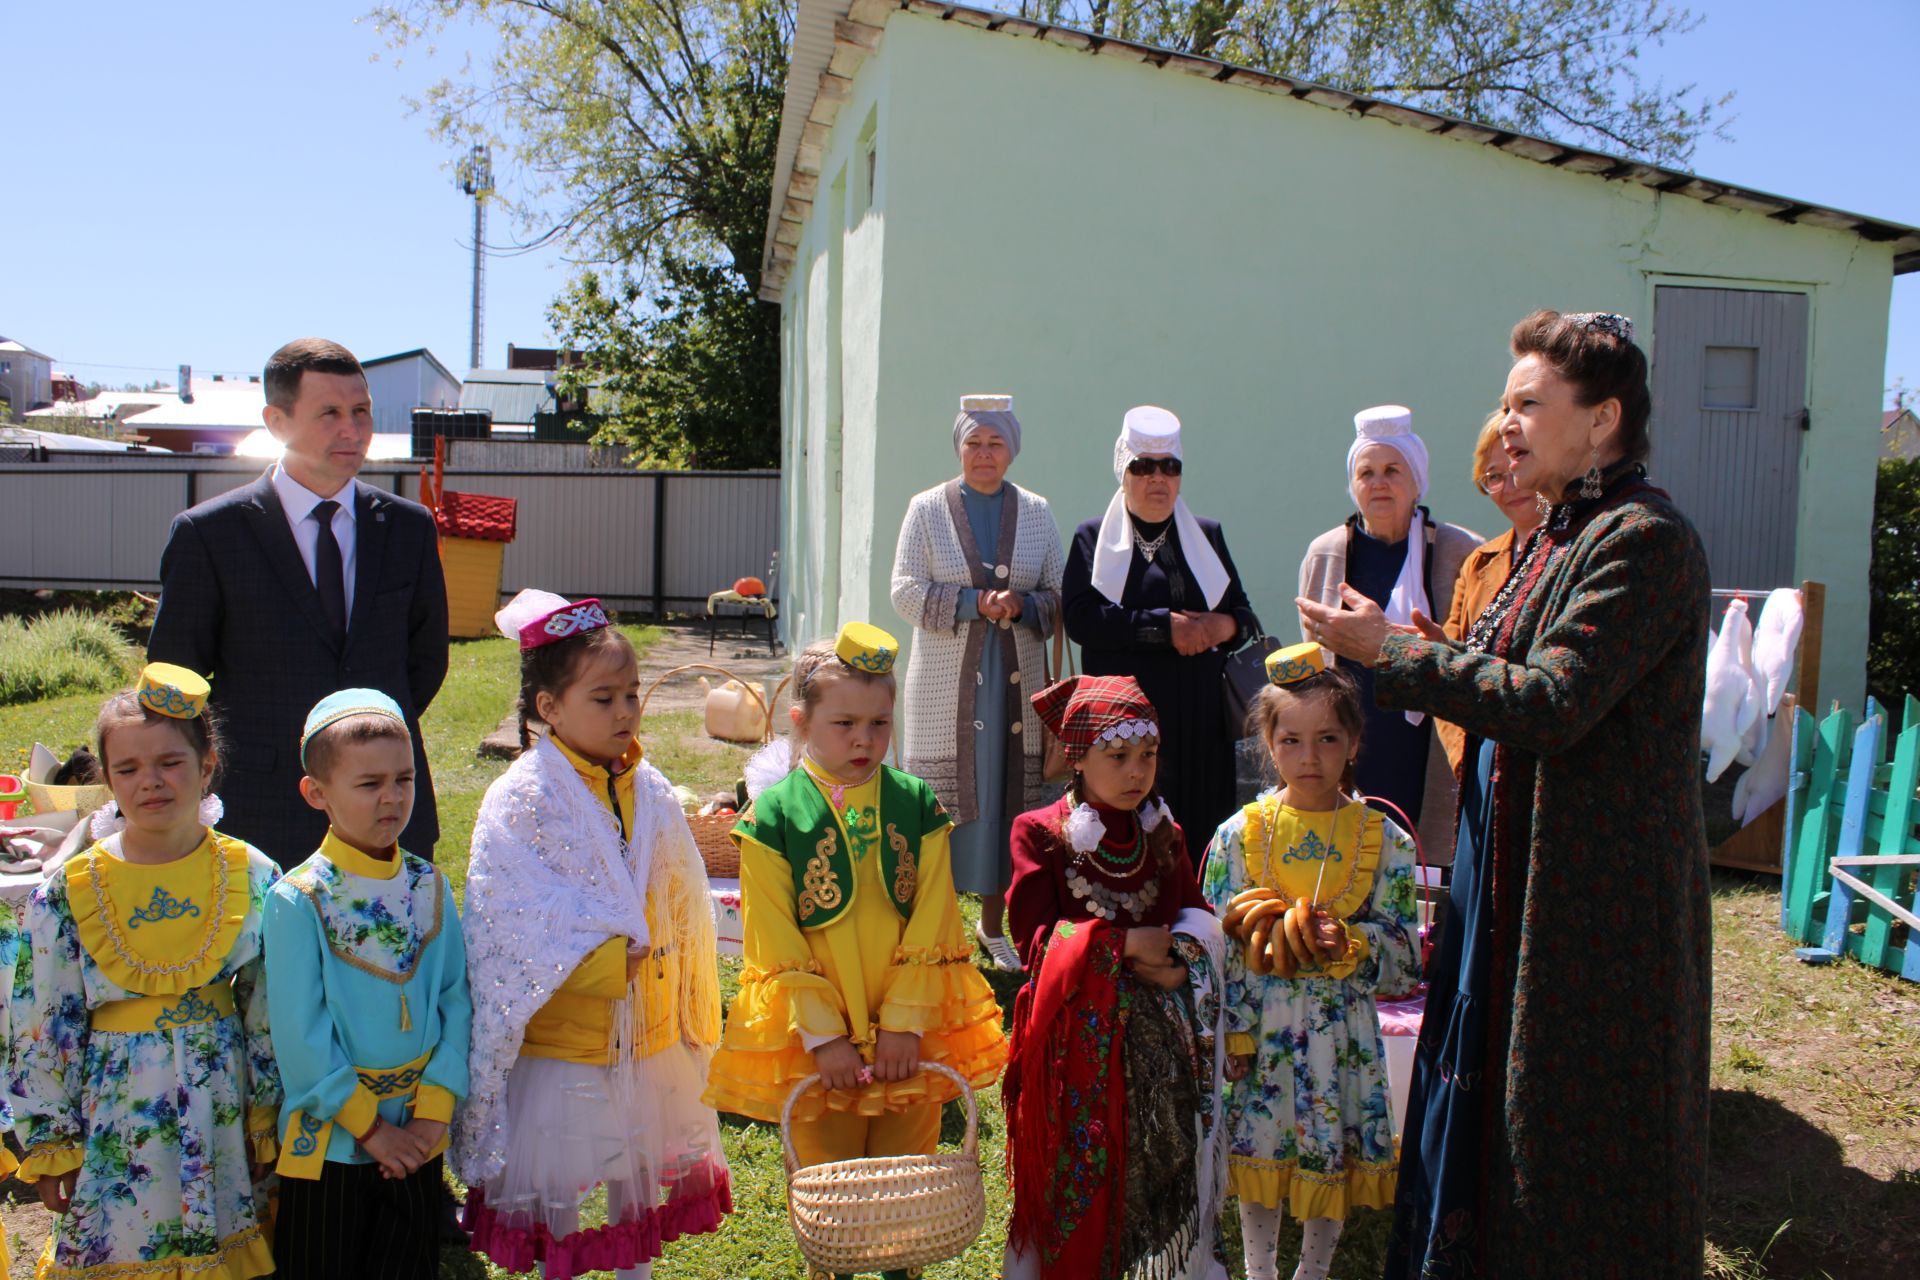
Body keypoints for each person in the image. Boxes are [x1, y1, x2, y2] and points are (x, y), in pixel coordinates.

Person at [1297, 311, 1712, 1278]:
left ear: (1602, 419)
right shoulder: (1558, 537)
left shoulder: (1642, 539)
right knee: (1506, 1119)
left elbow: (1554, 702)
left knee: (1576, 1142)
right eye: (1505, 401)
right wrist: (1414, 644)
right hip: (1520, 879)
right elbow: (1496, 667)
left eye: (1530, 403)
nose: (1508, 423)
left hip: (1595, 903)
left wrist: (1392, 654)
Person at [703, 624, 1009, 1280]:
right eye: (844, 723)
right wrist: (825, 1039)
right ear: (801, 720)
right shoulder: (772, 818)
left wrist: (903, 1025)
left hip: (910, 1041)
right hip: (816, 1049)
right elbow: (774, 940)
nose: (864, 741)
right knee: (832, 1202)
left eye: (879, 722)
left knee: (906, 1199)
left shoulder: (917, 806)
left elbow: (935, 919)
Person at [454, 591, 731, 1280]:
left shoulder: (651, 787)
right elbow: (514, 909)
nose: (625, 712)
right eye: (603, 699)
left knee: (632, 1175)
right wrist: (609, 952)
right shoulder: (520, 799)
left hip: (645, 1031)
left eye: (632, 695)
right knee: (563, 1189)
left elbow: (677, 884)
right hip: (566, 1040)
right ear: (549, 708)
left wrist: (660, 947)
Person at [9, 664, 280, 1280]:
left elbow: (269, 1005)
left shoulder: (254, 876)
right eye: (128, 769)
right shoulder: (69, 892)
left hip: (220, 1105)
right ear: (106, 779)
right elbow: (42, 1017)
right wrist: (53, 1138)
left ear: (207, 763)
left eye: (170, 762)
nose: (150, 782)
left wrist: (265, 1114)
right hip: (115, 1110)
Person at [149, 337, 449, 865]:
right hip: (261, 808)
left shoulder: (408, 527)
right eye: (329, 413)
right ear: (277, 421)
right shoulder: (210, 534)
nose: (352, 430)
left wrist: (366, 747)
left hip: (388, 809)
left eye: (361, 412)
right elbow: (177, 677)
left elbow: (425, 661)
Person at [1199, 646, 1419, 1280]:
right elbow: (1214, 948)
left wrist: (1352, 945)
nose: (1310, 757)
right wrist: (1229, 1032)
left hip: (1340, 1038)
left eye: (1327, 738)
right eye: (1291, 740)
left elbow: (1405, 957)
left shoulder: (1384, 841)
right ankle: (1261, 1270)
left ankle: (1313, 1272)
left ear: (1353, 742)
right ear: (1269, 743)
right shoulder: (1239, 836)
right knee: (1258, 1152)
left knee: (1332, 1150)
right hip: (1258, 1035)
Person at [1002, 673, 1227, 1280]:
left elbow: (1195, 921)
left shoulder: (1164, 834)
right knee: (1083, 1178)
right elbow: (1034, 944)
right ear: (1077, 757)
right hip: (1074, 1046)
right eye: (1119, 756)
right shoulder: (1040, 835)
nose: (1137, 772)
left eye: (1148, 755)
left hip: (1158, 1045)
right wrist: (1123, 944)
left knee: (1160, 1173)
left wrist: (1180, 957)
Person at [265, 689, 472, 1280]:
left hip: (416, 1132)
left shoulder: (430, 884)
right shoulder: (298, 898)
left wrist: (432, 1115)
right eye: (369, 783)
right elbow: (300, 1035)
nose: (392, 797)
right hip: (333, 1139)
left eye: (404, 779)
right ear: (316, 793)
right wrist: (372, 1129)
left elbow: (456, 1000)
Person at [891, 393, 1064, 972]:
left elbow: (1062, 595)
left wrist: (1022, 605)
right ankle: (935, 930)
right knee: (947, 804)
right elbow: (905, 589)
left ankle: (994, 928)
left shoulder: (1037, 511)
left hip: (1017, 684)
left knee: (1005, 796)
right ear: (959, 448)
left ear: (1011, 451)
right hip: (947, 691)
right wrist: (972, 603)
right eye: (973, 442)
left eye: (995, 443)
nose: (984, 453)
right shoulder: (925, 508)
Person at [1063, 405, 1258, 848]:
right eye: (1143, 466)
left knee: (1196, 827)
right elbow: (1080, 619)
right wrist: (1162, 628)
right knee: (1125, 828)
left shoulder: (1205, 536)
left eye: (1170, 467)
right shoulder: (1092, 538)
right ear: (1123, 471)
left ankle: (1193, 916)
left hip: (1198, 719)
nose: (1158, 478)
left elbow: (1244, 617)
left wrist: (1220, 627)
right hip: (1123, 721)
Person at [1296, 405, 1478, 863]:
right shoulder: (1327, 552)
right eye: (1367, 472)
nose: (1378, 482)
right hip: (1354, 731)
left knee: (1422, 855)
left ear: (1417, 480)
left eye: (1392, 470)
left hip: (1425, 739)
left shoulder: (1461, 551)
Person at [1434, 412, 1545, 772]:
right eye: (1495, 477)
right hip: (1483, 766)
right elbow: (1446, 671)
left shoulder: (1577, 552)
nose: (1510, 487)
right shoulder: (1479, 563)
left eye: (1517, 468)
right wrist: (1464, 759)